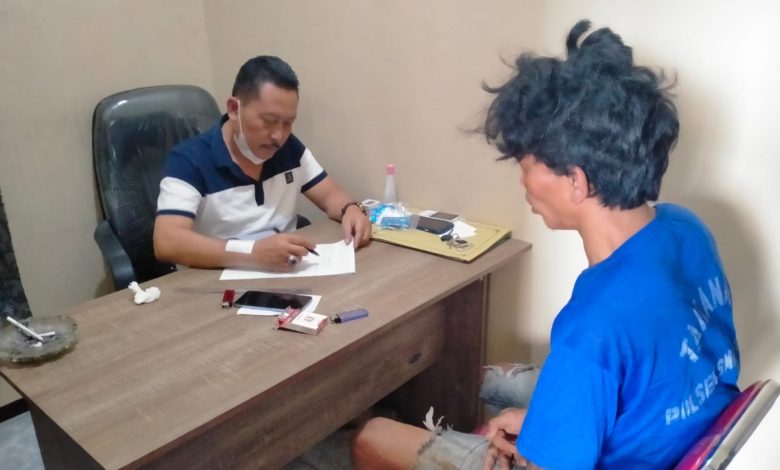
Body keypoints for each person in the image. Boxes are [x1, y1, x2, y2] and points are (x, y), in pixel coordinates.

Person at [352, 19, 740, 469]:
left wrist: (538, 452)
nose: (523, 181)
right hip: (673, 439)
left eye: (526, 165)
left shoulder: (593, 326)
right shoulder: (687, 228)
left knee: (373, 436)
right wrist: (546, 427)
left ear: (576, 180)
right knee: (493, 377)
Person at [154, 56, 371, 270]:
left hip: (288, 270)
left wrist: (350, 209)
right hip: (219, 280)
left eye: (287, 123)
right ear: (234, 109)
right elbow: (167, 242)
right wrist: (251, 253)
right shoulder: (189, 159)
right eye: (269, 121)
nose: (278, 136)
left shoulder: (289, 148)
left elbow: (330, 195)